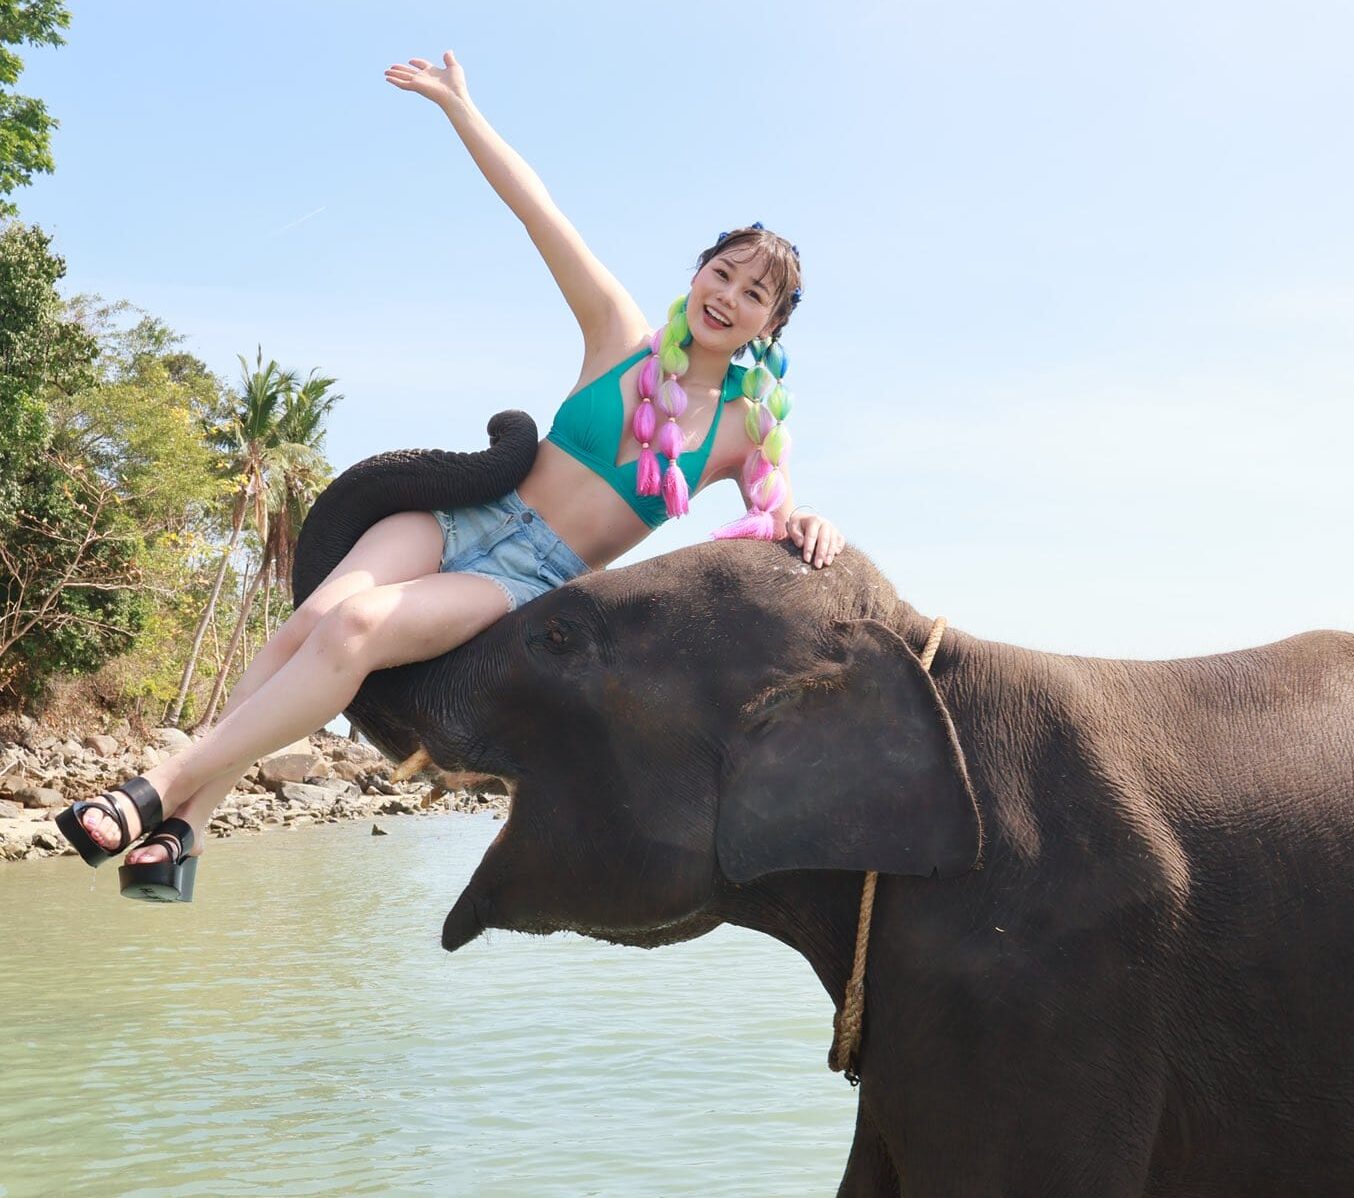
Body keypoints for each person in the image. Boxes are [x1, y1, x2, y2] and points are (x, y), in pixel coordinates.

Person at [55, 48, 846, 900]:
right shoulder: (620, 338)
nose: (726, 295)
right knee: (308, 623)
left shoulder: (745, 429)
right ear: (698, 272)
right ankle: (188, 828)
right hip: (467, 514)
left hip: (528, 578)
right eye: (720, 272)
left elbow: (778, 514)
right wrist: (458, 108)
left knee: (352, 631)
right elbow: (538, 210)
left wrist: (813, 523)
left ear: (772, 325)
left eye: (753, 294)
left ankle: (157, 793)